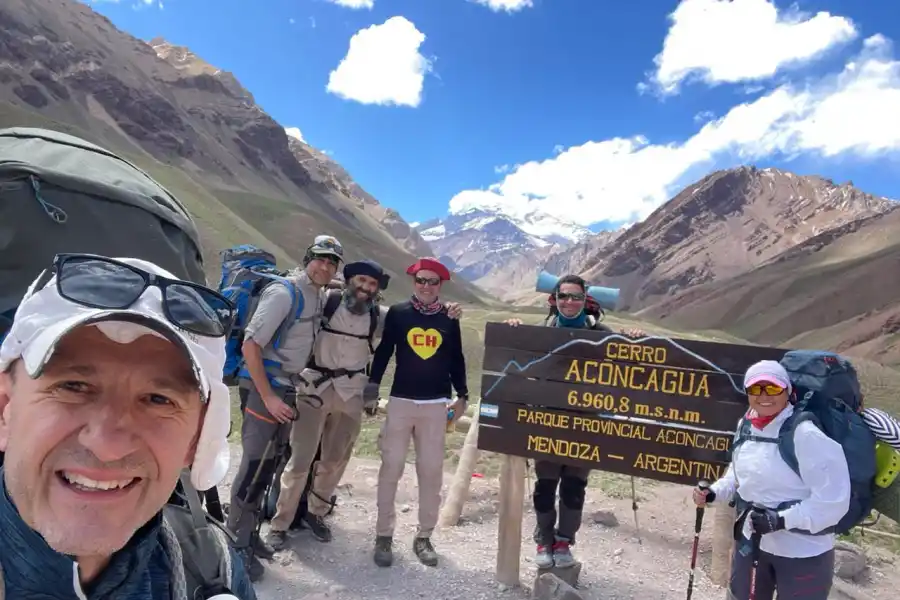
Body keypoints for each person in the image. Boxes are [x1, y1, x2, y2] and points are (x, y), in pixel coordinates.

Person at [0, 254, 255, 599]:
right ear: (5, 409)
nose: (108, 446)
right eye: (73, 386)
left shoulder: (213, 567)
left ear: (195, 440)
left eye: (158, 399)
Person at [265, 260, 464, 549]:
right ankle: (280, 523)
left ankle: (316, 514)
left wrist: (450, 310)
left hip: (351, 393)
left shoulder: (380, 315)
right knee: (300, 460)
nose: (365, 287)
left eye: (372, 284)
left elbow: (412, 321)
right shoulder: (326, 302)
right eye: (360, 280)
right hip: (314, 389)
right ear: (349, 281)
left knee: (335, 460)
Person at [505, 274, 643, 569]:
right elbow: (517, 363)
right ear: (554, 299)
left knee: (574, 486)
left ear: (585, 300)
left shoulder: (602, 334)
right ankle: (544, 539)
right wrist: (512, 331)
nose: (569, 302)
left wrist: (633, 340)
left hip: (586, 424)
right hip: (547, 421)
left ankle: (564, 540)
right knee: (545, 485)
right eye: (563, 296)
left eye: (576, 297)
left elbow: (627, 367)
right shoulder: (541, 333)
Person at [226, 235, 342, 581]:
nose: (325, 266)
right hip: (264, 389)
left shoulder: (316, 293)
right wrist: (269, 397)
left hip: (285, 386)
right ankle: (235, 547)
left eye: (332, 262)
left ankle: (249, 536)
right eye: (320, 259)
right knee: (254, 467)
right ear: (308, 259)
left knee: (272, 462)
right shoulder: (283, 293)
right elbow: (251, 346)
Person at [692, 360, 851, 600]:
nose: (764, 396)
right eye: (756, 388)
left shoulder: (806, 433)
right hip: (752, 540)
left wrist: (781, 519)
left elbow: (833, 501)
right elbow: (738, 473)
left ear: (788, 390)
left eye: (773, 388)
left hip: (803, 550)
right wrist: (714, 493)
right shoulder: (746, 425)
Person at [367, 257, 468, 568]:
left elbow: (456, 358)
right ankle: (383, 534)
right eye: (421, 280)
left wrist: (463, 394)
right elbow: (384, 351)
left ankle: (424, 536)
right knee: (391, 467)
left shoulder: (449, 318)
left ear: (440, 285)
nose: (426, 286)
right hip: (401, 400)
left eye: (432, 281)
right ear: (414, 282)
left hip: (436, 404)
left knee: (431, 471)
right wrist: (372, 386)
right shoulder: (398, 313)